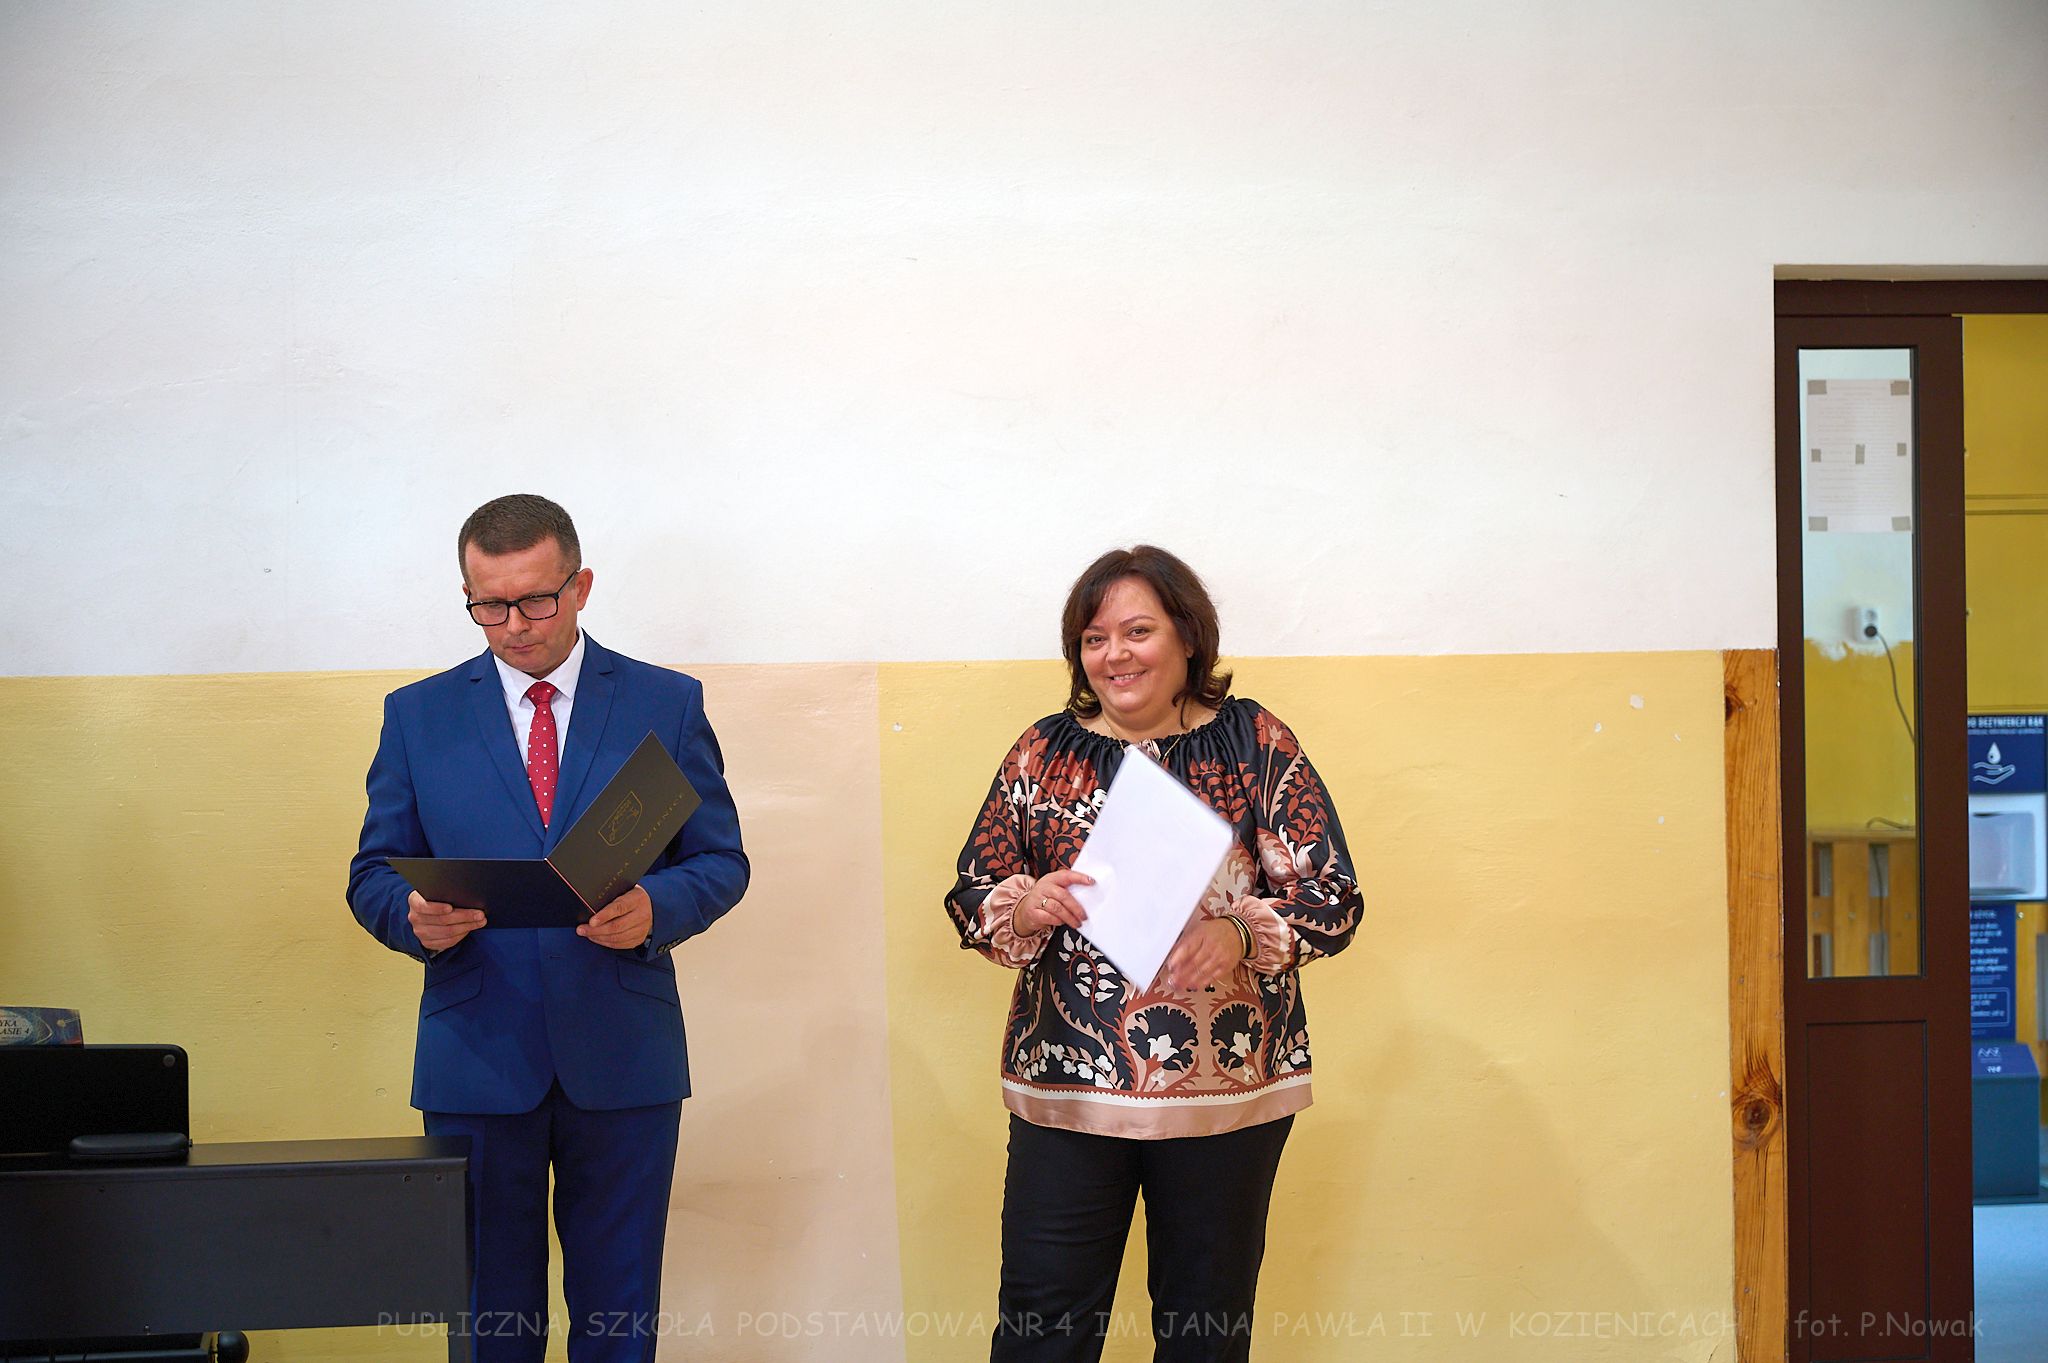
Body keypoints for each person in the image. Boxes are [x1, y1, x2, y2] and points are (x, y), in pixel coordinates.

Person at [348, 494, 748, 1363]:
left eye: (535, 600)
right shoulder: (417, 715)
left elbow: (721, 861)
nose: (514, 625)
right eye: (488, 605)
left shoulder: (665, 702)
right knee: (489, 1320)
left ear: (581, 585)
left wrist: (659, 907)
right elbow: (371, 874)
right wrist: (412, 916)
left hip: (623, 1052)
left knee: (618, 1316)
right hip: (476, 1057)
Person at [946, 545, 1362, 1363]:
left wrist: (1238, 932)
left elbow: (1333, 895)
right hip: (1069, 1089)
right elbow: (972, 892)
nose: (1115, 654)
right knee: (1041, 1324)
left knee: (1205, 1328)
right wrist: (1024, 905)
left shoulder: (1254, 742)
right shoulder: (1042, 752)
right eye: (1094, 638)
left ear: (1188, 638)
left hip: (1225, 1091)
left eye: (1138, 631)